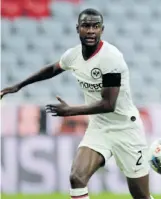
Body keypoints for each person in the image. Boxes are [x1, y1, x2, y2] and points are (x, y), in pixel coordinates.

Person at [1, 8, 153, 199]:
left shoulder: (111, 58)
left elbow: (108, 104)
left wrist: (70, 111)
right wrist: (19, 85)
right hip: (99, 128)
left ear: (102, 30)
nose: (91, 31)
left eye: (95, 26)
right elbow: (52, 69)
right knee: (77, 178)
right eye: (86, 26)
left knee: (141, 196)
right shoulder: (73, 56)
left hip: (126, 129)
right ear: (77, 29)